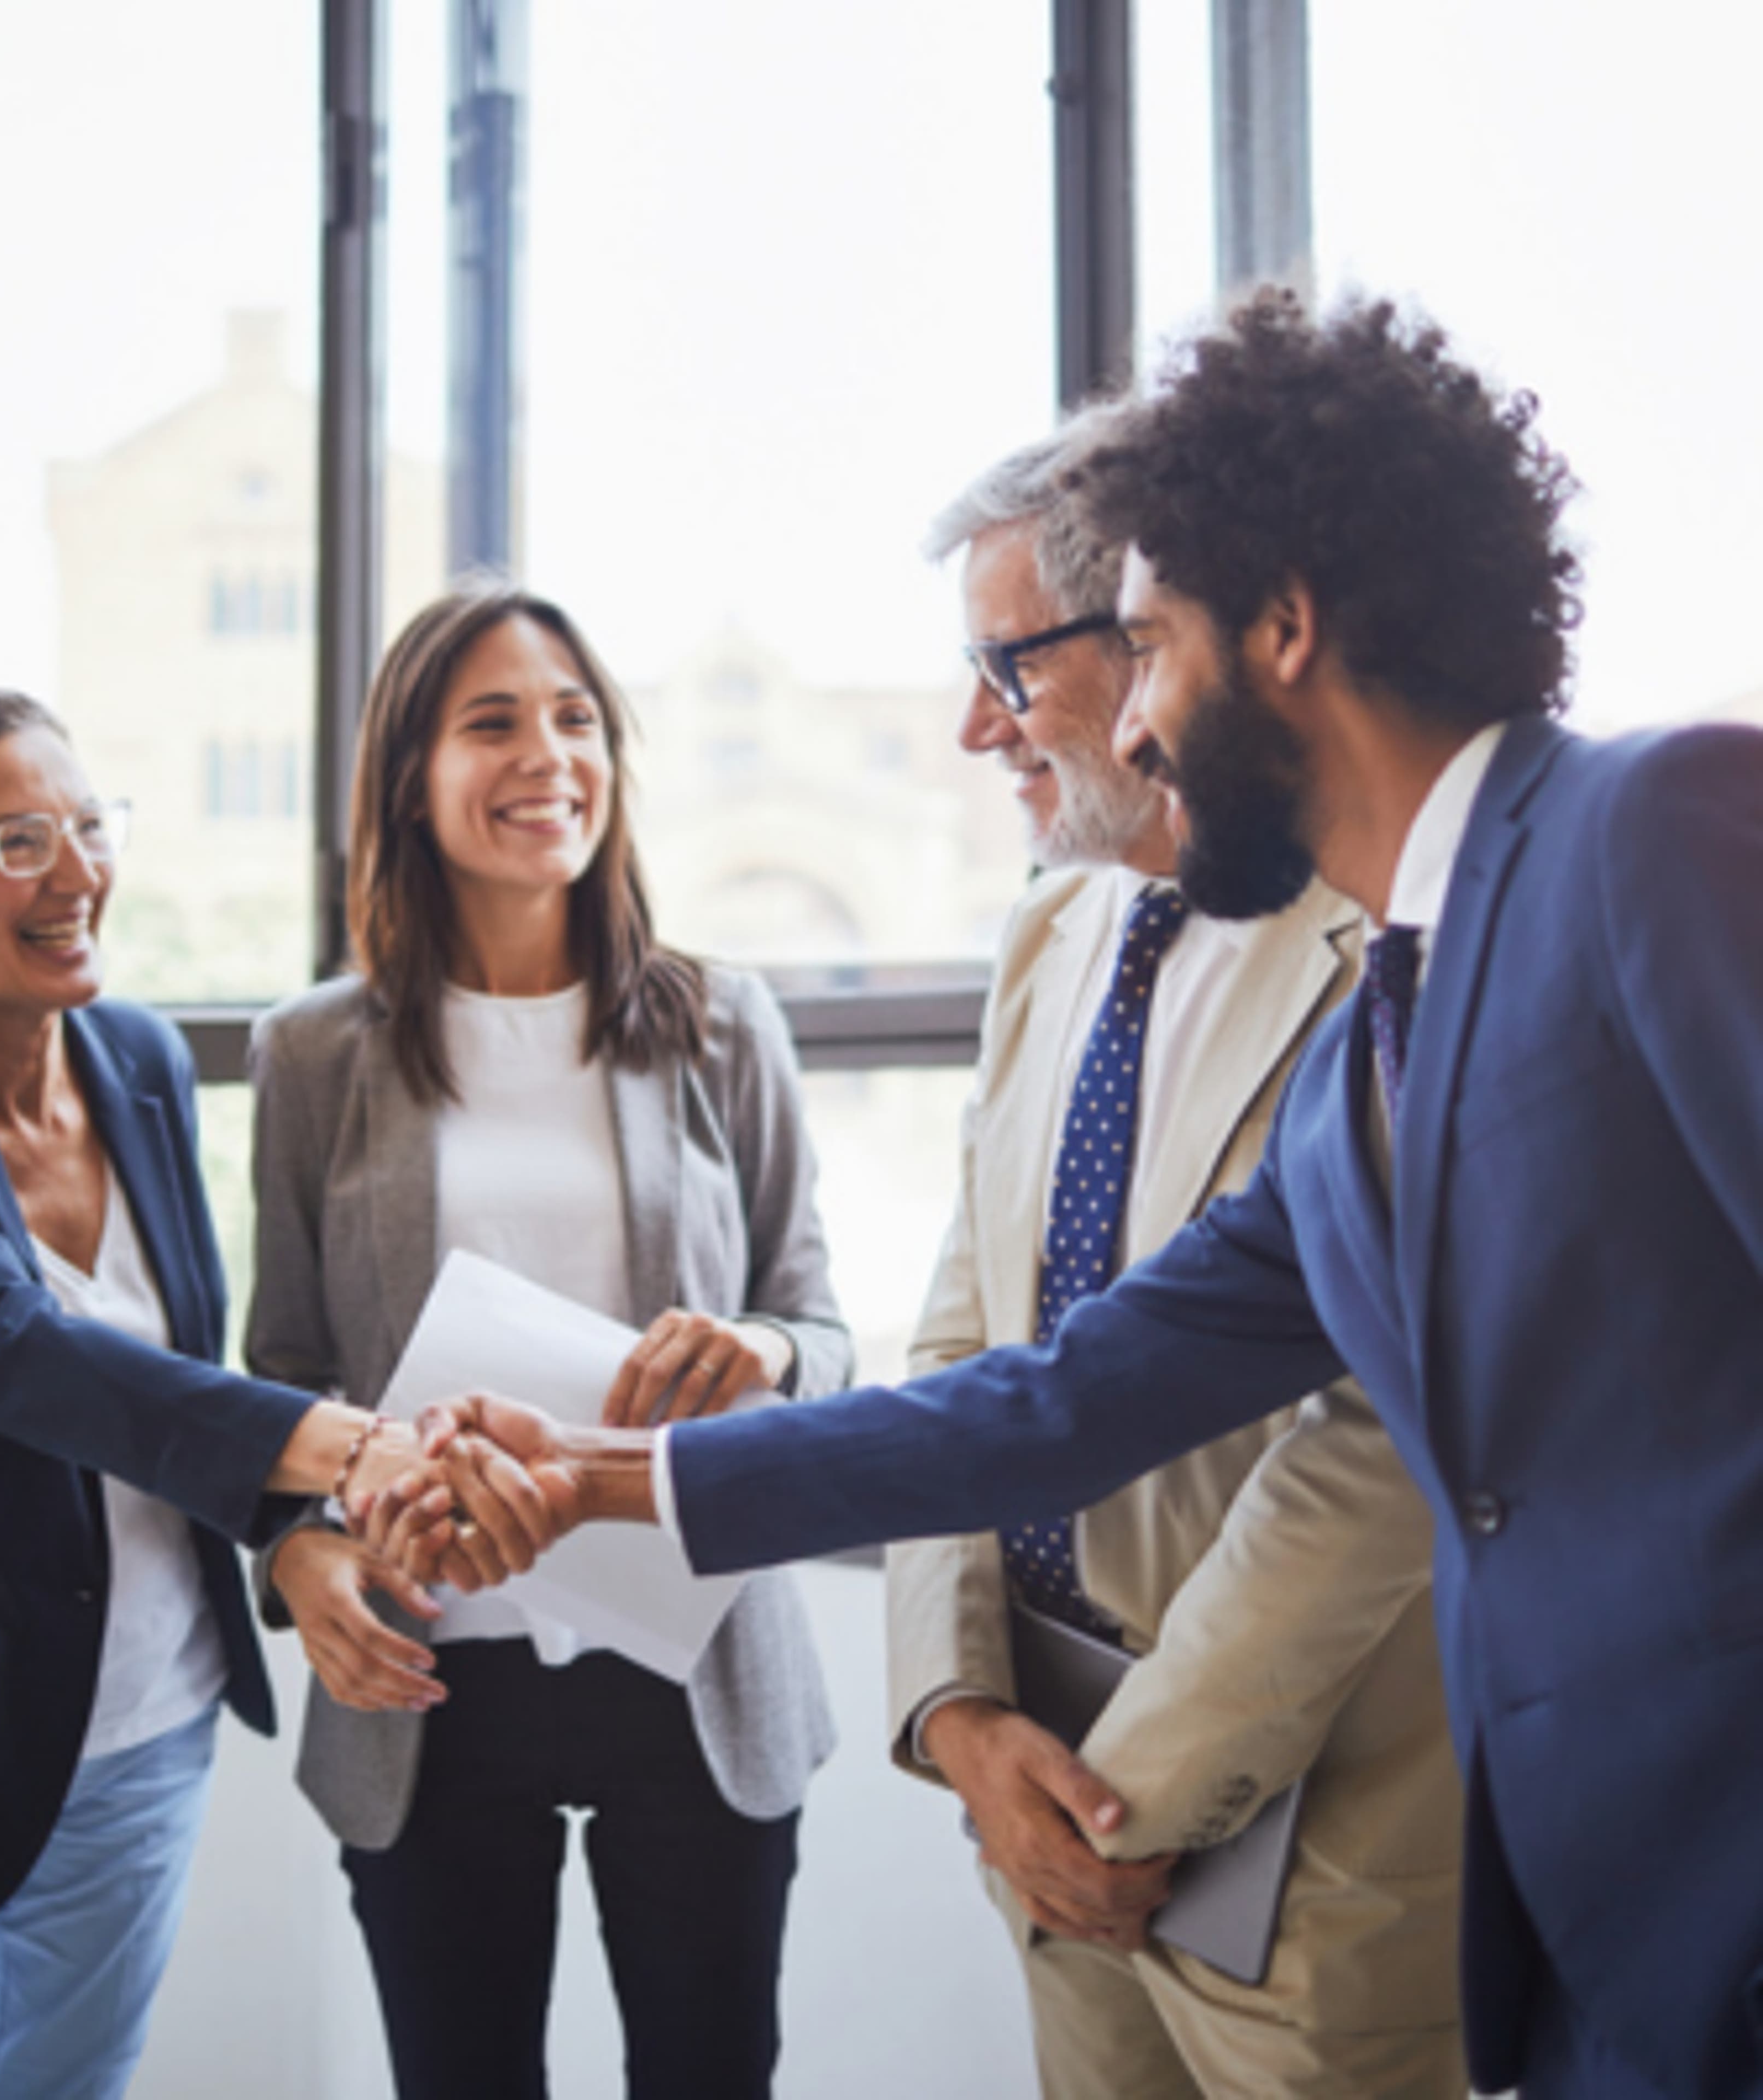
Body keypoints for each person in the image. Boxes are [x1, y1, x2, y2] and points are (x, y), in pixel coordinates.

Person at [418, 291, 1763, 2100]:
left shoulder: (1652, 825)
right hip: (1605, 1952)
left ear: (1283, 629)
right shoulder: (1386, 1030)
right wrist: (602, 1481)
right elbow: (1064, 1399)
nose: (1133, 729)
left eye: (1149, 645)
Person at [0, 689, 547, 2100]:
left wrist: (290, 1532)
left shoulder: (140, 1060)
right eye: (18, 840)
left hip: (142, 1723)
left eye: (90, 828)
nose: (81, 875)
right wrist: (342, 1447)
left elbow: (170, 1385)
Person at [885, 412, 1463, 2097]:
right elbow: (963, 1342)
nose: (975, 725)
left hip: (1311, 1840)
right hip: (1035, 1780)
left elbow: (1378, 1448)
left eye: (1010, 665)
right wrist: (958, 1715)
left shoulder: (1387, 949)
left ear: (1157, 637)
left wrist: (1128, 1791)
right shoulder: (1052, 924)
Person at [247, 578, 849, 2100]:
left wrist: (765, 1355)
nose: (549, 756)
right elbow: (280, 1377)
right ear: (411, 774)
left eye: (577, 720)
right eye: (495, 721)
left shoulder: (724, 1022)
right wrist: (298, 1549)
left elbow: (824, 1328)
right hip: (434, 1670)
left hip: (692, 1657)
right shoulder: (317, 1050)